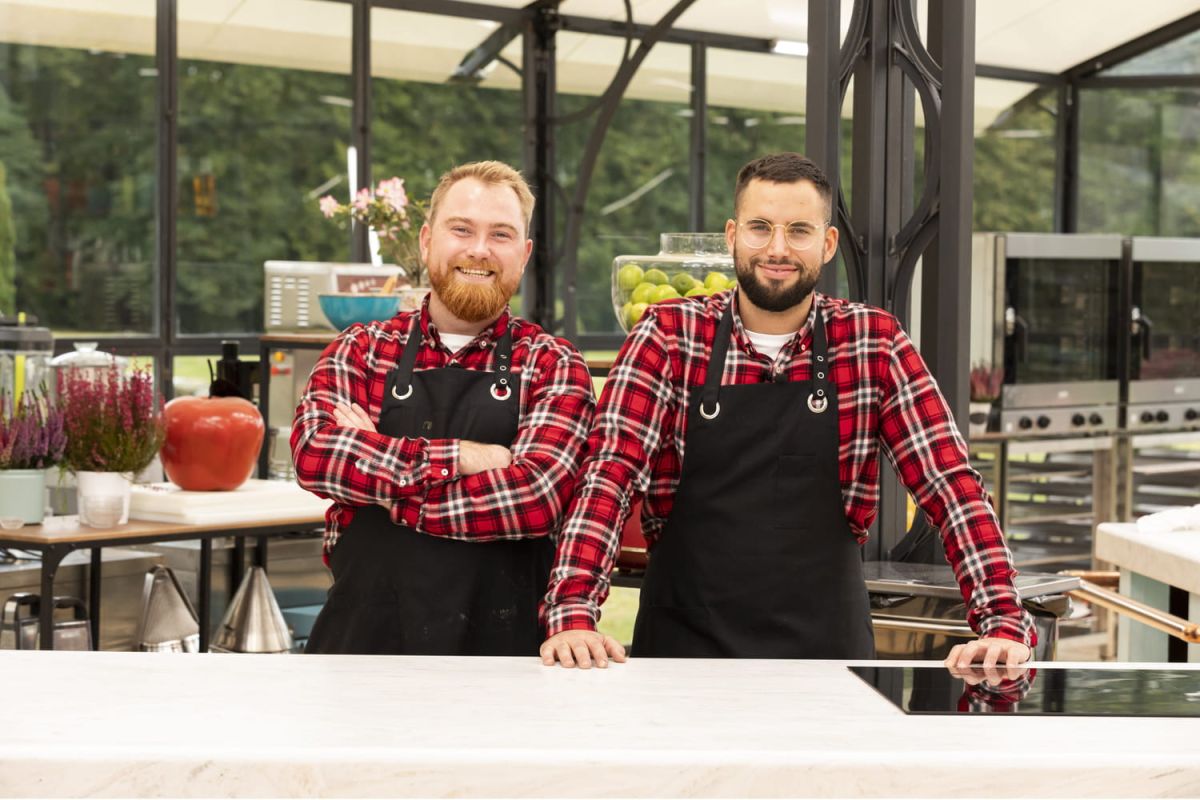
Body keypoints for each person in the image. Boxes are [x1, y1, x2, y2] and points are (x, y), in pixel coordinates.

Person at [539, 152, 1034, 669]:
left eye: (799, 230)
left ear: (828, 243)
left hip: (826, 651)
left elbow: (948, 481)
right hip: (684, 646)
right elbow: (609, 476)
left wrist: (1000, 617)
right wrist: (574, 610)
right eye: (760, 227)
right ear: (732, 235)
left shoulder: (872, 342)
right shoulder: (669, 334)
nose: (777, 248)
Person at [292, 160, 595, 656]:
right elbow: (316, 456)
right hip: (363, 647)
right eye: (462, 229)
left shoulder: (552, 363)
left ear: (524, 254)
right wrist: (462, 457)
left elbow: (536, 498)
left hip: (505, 655)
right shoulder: (362, 349)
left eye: (501, 234)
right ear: (427, 240)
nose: (479, 249)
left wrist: (386, 489)